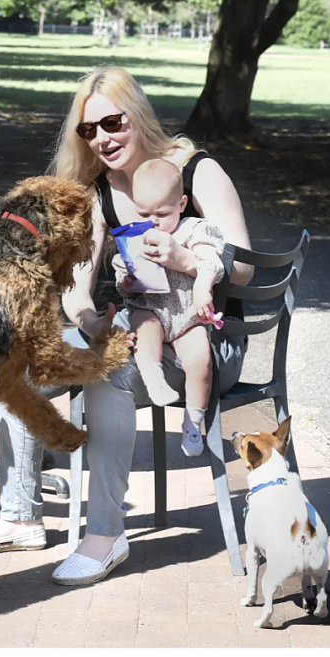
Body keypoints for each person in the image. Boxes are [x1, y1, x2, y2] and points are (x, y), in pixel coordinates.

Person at [0, 65, 253, 586]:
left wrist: (185, 260)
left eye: (112, 123)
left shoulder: (196, 170)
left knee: (106, 375)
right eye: (88, 131)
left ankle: (105, 535)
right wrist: (91, 322)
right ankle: (21, 515)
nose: (102, 139)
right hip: (139, 329)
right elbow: (79, 289)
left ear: (136, 114)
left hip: (205, 341)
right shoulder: (95, 190)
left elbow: (246, 267)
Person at [117, 158, 225, 455]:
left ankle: (193, 420)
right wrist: (126, 280)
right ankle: (153, 379)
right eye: (144, 212)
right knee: (145, 329)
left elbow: (210, 262)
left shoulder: (195, 230)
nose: (152, 221)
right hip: (151, 307)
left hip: (186, 314)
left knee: (200, 362)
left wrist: (203, 288)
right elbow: (121, 271)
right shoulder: (136, 234)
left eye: (162, 213)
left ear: (182, 203)